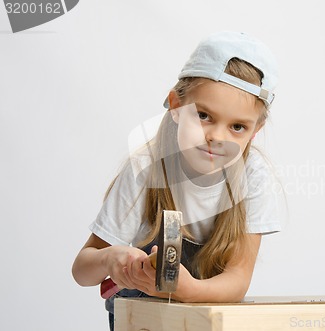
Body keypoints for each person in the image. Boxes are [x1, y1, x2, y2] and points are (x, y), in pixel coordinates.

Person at [72, 31, 282, 330]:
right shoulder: (144, 169)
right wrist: (111, 259)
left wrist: (187, 290)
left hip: (204, 311)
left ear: (256, 130)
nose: (216, 137)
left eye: (237, 126)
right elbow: (82, 271)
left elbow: (237, 280)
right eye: (204, 115)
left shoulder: (253, 175)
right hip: (141, 314)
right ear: (175, 105)